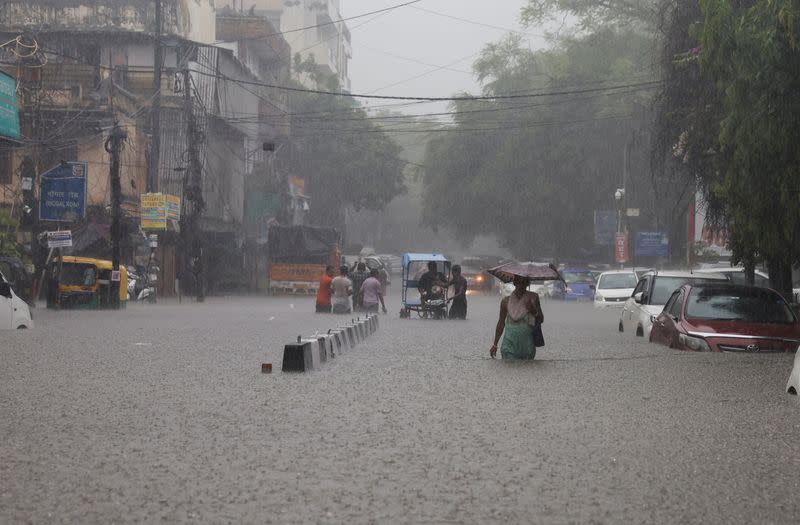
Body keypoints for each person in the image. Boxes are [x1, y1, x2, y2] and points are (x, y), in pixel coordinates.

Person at [490, 275, 544, 360]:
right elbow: (501, 322)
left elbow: (541, 319)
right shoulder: (506, 301)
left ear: (527, 284)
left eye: (524, 282)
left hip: (527, 345)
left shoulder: (533, 299)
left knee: (526, 369)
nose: (521, 285)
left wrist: (533, 311)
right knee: (508, 368)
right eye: (518, 282)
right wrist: (495, 344)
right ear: (514, 283)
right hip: (509, 344)